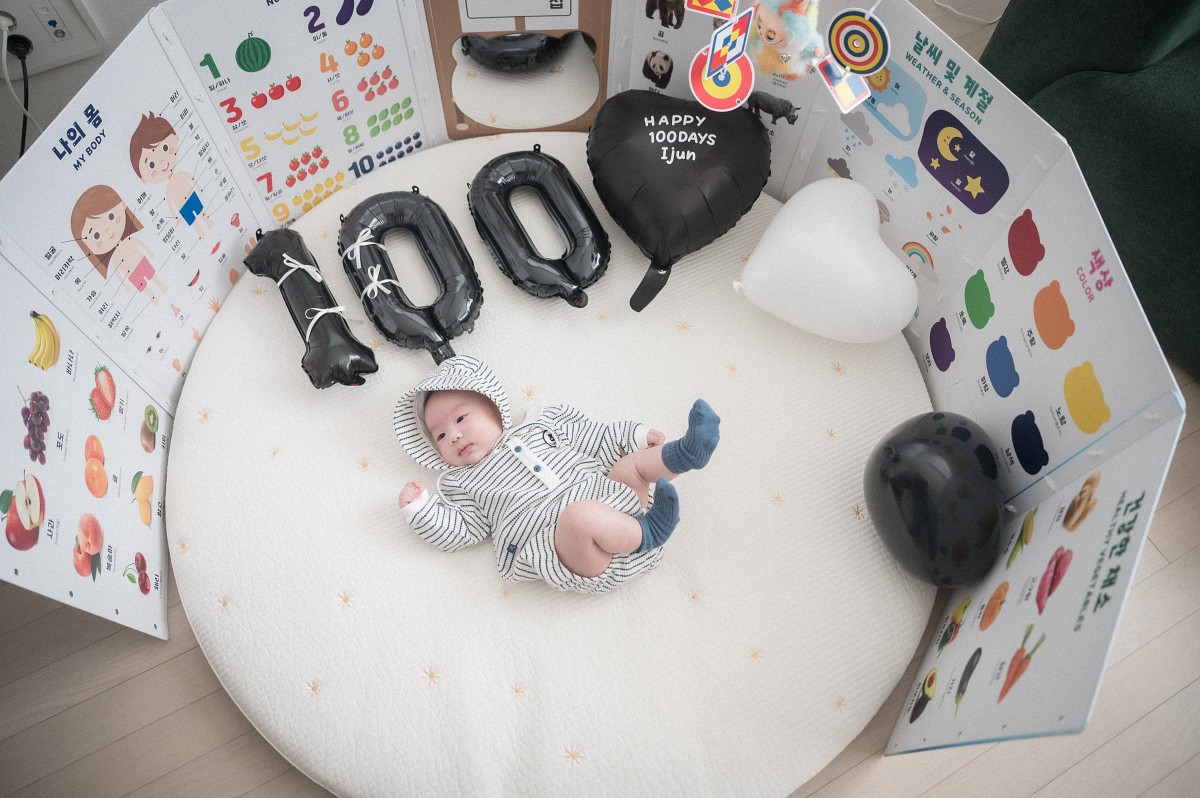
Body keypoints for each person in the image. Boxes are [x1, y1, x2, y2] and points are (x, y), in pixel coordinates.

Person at [394, 356, 719, 593]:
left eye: (461, 418)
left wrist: (634, 437)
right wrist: (422, 511)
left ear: (495, 408)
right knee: (579, 517)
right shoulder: (463, 484)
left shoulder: (541, 426)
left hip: (615, 503)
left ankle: (685, 452)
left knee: (629, 466)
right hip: (579, 551)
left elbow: (595, 439)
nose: (453, 436)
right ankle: (650, 532)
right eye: (439, 435)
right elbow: (462, 529)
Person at [70, 185, 168, 303]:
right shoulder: (116, 257)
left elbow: (139, 243)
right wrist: (124, 284)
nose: (108, 231)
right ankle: (153, 298)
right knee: (144, 287)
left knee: (152, 275)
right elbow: (118, 272)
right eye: (96, 235)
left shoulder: (129, 240)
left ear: (123, 204)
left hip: (140, 261)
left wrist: (149, 252)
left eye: (111, 216)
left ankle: (161, 286)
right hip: (132, 274)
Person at [129, 112, 215, 239]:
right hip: (182, 206)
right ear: (143, 179)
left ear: (176, 138)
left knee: (201, 212)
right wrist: (175, 216)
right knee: (194, 223)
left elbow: (190, 178)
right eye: (151, 164)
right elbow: (170, 202)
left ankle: (208, 223)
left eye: (165, 147)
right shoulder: (169, 189)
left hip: (191, 196)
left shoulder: (180, 175)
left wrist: (199, 187)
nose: (162, 161)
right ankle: (202, 235)